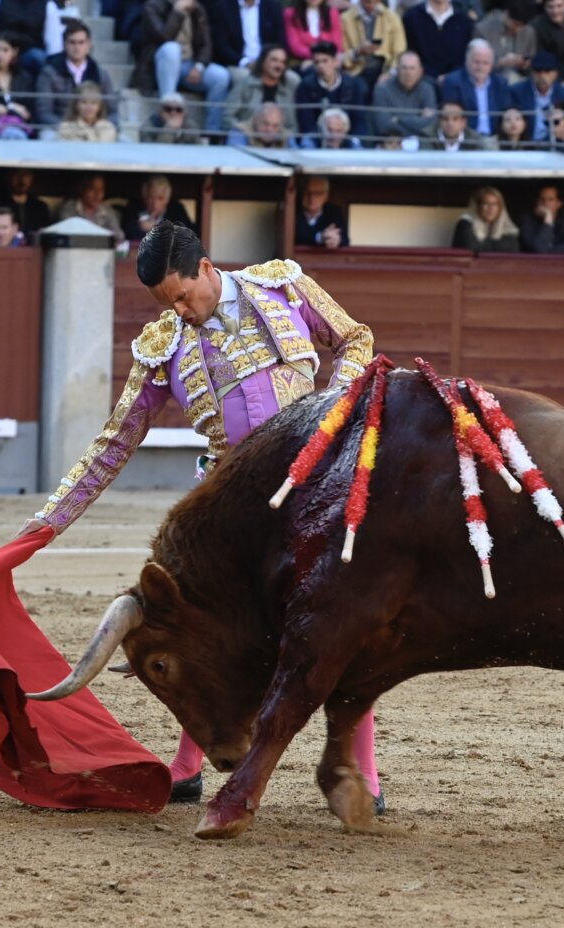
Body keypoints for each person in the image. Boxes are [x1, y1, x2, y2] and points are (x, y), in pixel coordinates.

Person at [20, 220, 380, 809]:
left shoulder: (282, 287)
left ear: (206, 269)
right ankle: (187, 767)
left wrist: (332, 412)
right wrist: (49, 521)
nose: (181, 311)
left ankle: (361, 774)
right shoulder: (162, 344)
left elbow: (354, 339)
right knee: (203, 633)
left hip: (312, 489)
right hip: (228, 511)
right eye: (168, 303)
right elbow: (115, 442)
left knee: (337, 624)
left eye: (184, 296)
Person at [137, 0, 230, 133]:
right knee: (172, 49)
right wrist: (177, 12)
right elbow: (163, 37)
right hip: (160, 63)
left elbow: (206, 44)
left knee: (221, 76)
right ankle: (168, 111)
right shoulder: (153, 6)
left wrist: (199, 66)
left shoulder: (197, 9)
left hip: (188, 64)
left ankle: (212, 132)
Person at [35, 20, 118, 129]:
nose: (77, 47)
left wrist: (100, 127)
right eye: (72, 42)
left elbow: (113, 111)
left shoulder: (100, 74)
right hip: (59, 129)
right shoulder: (49, 73)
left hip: (94, 131)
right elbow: (44, 113)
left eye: (81, 42)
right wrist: (69, 128)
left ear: (89, 44)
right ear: (64, 44)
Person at [294, 41, 369, 141]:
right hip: (317, 140)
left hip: (347, 140)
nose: (320, 66)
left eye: (325, 61)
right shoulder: (305, 86)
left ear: (336, 62)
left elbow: (359, 119)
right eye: (317, 62)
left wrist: (352, 140)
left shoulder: (353, 85)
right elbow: (306, 121)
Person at [227, 44, 300, 139]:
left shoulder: (288, 89)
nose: (279, 66)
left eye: (283, 62)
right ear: (263, 61)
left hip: (278, 139)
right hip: (247, 136)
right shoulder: (245, 84)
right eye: (274, 60)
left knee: (292, 142)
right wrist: (244, 131)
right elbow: (228, 117)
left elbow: (293, 126)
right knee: (235, 136)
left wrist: (279, 136)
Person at [442, 38, 510, 137]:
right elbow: (452, 114)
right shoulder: (453, 82)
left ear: (491, 65)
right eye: (476, 62)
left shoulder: (501, 84)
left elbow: (505, 114)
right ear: (467, 61)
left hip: (495, 138)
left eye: (485, 63)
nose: (480, 67)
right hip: (466, 138)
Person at [208, 0, 286, 85]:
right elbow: (221, 46)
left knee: (292, 79)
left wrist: (268, 62)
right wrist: (245, 62)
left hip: (269, 62)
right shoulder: (223, 7)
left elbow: (279, 41)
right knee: (247, 78)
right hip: (237, 64)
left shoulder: (273, 7)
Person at [508, 50, 564, 143]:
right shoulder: (517, 92)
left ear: (555, 73)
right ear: (531, 72)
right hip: (525, 146)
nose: (542, 76)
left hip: (554, 146)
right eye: (538, 71)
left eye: (547, 71)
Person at [371, 49, 437, 140]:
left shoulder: (427, 89)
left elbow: (431, 124)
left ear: (420, 71)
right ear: (397, 70)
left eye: (412, 68)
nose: (408, 73)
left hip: (421, 144)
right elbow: (383, 126)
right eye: (404, 68)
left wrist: (398, 119)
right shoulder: (382, 89)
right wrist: (420, 121)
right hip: (392, 144)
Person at [341, 0, 406, 89]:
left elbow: (400, 52)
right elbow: (340, 56)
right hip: (355, 72)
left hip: (384, 70)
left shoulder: (392, 18)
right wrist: (358, 52)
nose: (371, 4)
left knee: (384, 87)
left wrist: (390, 73)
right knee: (358, 87)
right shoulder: (345, 19)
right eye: (368, 2)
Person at [401, 0, 472, 80]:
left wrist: (449, 77)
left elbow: (465, 57)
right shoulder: (411, 18)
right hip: (420, 81)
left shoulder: (464, 21)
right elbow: (409, 52)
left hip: (454, 82)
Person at [474, 0, 536, 84]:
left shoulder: (528, 31)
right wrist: (501, 62)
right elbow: (475, 65)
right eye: (515, 24)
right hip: (490, 80)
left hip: (520, 81)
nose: (518, 29)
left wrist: (526, 65)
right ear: (506, 14)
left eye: (522, 26)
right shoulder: (483, 30)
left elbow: (532, 63)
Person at [121, 174, 195, 242]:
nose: (155, 204)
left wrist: (156, 229)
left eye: (160, 198)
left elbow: (188, 235)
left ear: (167, 199)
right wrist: (141, 229)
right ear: (144, 196)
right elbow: (128, 234)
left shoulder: (177, 209)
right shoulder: (133, 207)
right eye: (150, 198)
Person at [56, 173, 125, 242]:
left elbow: (118, 237)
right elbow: (65, 236)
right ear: (81, 189)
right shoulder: (69, 209)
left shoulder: (107, 211)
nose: (97, 194)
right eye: (92, 189)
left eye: (101, 189)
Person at [519, 184, 564, 254]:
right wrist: (548, 220)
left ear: (559, 203)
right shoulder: (527, 219)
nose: (545, 203)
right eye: (542, 199)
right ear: (537, 202)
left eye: (550, 200)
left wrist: (548, 250)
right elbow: (539, 249)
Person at [452, 185, 521, 252]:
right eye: (486, 203)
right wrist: (497, 245)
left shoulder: (507, 226)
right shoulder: (465, 223)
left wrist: (483, 244)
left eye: (495, 204)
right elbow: (470, 247)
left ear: (500, 208)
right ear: (478, 207)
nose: (491, 208)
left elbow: (513, 247)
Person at [0, 169, 51, 241]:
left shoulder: (40, 207)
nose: (21, 179)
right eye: (16, 174)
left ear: (31, 178)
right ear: (8, 176)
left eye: (26, 175)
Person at [283, 0, 344, 66]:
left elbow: (337, 45)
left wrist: (322, 58)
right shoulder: (290, 14)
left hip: (329, 62)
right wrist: (317, 57)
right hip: (302, 62)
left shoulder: (332, 12)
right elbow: (295, 47)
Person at [295, 174, 348, 248]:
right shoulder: (292, 210)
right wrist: (320, 237)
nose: (312, 198)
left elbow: (345, 240)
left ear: (326, 195)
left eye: (318, 193)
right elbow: (296, 236)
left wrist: (337, 240)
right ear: (301, 193)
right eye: (308, 192)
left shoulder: (334, 212)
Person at [422, 99, 490, 150]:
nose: (450, 123)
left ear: (463, 122)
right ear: (439, 121)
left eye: (455, 119)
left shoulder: (474, 140)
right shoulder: (427, 137)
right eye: (445, 119)